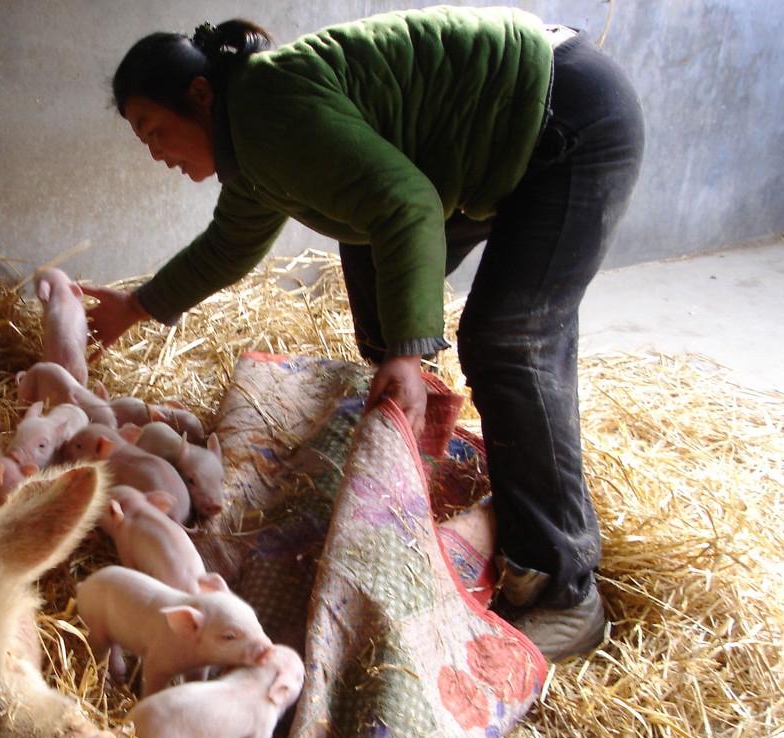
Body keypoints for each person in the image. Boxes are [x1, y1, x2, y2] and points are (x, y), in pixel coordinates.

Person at [79, 6, 645, 662]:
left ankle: (564, 592)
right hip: (504, 128)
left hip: (564, 111)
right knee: (376, 269)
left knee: (510, 339)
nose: (155, 153)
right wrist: (138, 306)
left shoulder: (269, 111)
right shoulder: (254, 136)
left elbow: (405, 204)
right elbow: (231, 243)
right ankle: (419, 447)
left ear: (200, 96)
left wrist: (408, 348)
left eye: (153, 129)